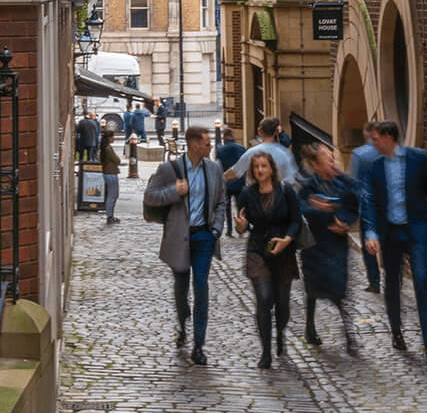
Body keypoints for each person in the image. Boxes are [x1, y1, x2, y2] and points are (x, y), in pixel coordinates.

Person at [357, 119, 427, 362]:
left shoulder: (418, 159)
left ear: (388, 137)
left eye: (376, 139)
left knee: (421, 280)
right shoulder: (374, 166)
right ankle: (397, 332)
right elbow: (369, 202)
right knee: (392, 282)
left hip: (416, 230)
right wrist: (371, 233)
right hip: (391, 233)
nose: (373, 143)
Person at [144, 124, 228, 365]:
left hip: (204, 237)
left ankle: (199, 346)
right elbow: (150, 196)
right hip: (179, 237)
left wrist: (216, 229)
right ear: (194, 145)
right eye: (207, 143)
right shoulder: (169, 169)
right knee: (181, 287)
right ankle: (183, 324)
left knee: (201, 286)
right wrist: (175, 191)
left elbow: (221, 201)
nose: (211, 146)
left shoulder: (214, 168)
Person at [235, 147, 308, 369]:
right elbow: (242, 224)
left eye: (263, 166)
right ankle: (266, 351)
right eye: (256, 167)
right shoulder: (247, 194)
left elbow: (296, 220)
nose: (260, 170)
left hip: (283, 251)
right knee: (264, 298)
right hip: (258, 250)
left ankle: (281, 333)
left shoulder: (286, 191)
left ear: (271, 169)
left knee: (282, 305)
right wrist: (241, 227)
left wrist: (287, 239)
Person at [299, 139, 361, 354]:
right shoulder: (309, 186)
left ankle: (349, 335)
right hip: (315, 244)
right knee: (313, 288)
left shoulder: (343, 182)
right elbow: (299, 209)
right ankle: (310, 327)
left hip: (336, 244)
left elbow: (354, 203)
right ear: (316, 165)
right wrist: (316, 208)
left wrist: (344, 222)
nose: (332, 161)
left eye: (332, 157)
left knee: (340, 289)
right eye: (327, 158)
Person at [347, 132, 383, 293]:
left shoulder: (359, 154)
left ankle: (374, 282)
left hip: (368, 207)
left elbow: (354, 183)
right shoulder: (389, 152)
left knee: (368, 245)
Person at [225, 116, 299, 187]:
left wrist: (220, 178)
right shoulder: (285, 154)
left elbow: (234, 172)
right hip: (278, 194)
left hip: (254, 194)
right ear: (276, 131)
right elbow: (291, 181)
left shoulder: (252, 152)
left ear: (260, 130)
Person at [215, 123, 247, 235]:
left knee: (227, 207)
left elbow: (218, 167)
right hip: (239, 181)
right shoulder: (241, 148)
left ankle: (229, 229)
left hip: (226, 182)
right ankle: (241, 227)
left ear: (224, 137)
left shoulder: (220, 150)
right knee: (240, 206)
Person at [98, 125, 121, 224]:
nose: (114, 138)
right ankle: (110, 216)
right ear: (109, 138)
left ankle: (110, 215)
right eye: (112, 137)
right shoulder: (108, 148)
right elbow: (117, 160)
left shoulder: (104, 148)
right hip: (111, 173)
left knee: (112, 195)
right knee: (112, 195)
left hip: (108, 173)